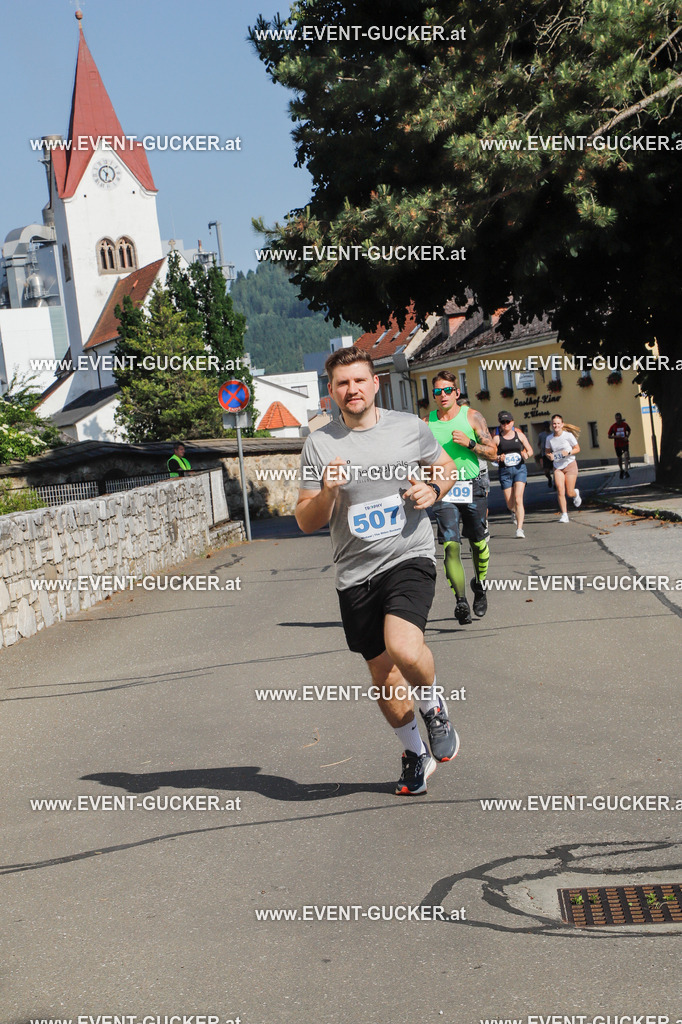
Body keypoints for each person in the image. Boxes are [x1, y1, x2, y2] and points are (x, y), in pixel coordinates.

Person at [295, 346, 459, 796]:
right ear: (331, 391)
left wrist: (434, 488)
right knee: (384, 674)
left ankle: (434, 707)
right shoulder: (319, 444)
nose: (352, 389)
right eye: (342, 383)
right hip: (355, 573)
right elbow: (306, 519)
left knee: (403, 647)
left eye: (359, 380)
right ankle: (415, 753)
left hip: (409, 554)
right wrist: (327, 493)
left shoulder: (409, 427)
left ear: (375, 383)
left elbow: (445, 468)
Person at [424, 372, 496, 625]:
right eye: (437, 391)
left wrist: (470, 444)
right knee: (450, 545)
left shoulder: (472, 416)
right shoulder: (426, 423)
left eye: (447, 390)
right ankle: (461, 601)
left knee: (478, 543)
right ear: (433, 396)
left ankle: (480, 585)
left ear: (456, 392)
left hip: (472, 486)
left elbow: (493, 453)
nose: (442, 395)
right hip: (443, 489)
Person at [493, 411, 534, 539]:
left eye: (508, 422)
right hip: (505, 471)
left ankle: (519, 529)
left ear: (512, 422)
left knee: (518, 499)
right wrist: (498, 457)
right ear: (500, 424)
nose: (506, 424)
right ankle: (513, 511)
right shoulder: (497, 439)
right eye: (503, 422)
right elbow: (491, 455)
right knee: (510, 504)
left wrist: (526, 454)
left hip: (519, 469)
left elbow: (530, 450)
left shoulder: (519, 435)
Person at [545, 415, 582, 522]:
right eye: (554, 423)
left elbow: (577, 448)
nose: (556, 425)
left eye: (558, 423)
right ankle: (564, 515)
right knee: (560, 490)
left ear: (562, 424)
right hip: (557, 467)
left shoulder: (568, 435)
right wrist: (549, 456)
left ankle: (576, 493)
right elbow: (547, 451)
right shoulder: (549, 438)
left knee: (569, 492)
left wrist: (568, 453)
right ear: (552, 425)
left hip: (570, 464)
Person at [608, 413, 631, 478]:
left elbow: (629, 430)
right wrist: (615, 436)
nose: (618, 420)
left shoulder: (625, 425)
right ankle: (621, 470)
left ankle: (626, 471)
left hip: (625, 443)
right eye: (616, 419)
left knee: (626, 455)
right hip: (617, 444)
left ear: (621, 418)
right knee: (619, 458)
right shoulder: (613, 426)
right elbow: (609, 436)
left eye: (619, 418)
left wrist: (627, 437)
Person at [536, 421, 554, 488]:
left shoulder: (553, 433)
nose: (547, 428)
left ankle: (556, 483)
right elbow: (539, 443)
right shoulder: (541, 435)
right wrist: (541, 450)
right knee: (546, 471)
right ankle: (549, 478)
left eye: (548, 426)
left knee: (555, 470)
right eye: (545, 427)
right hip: (545, 455)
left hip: (553, 454)